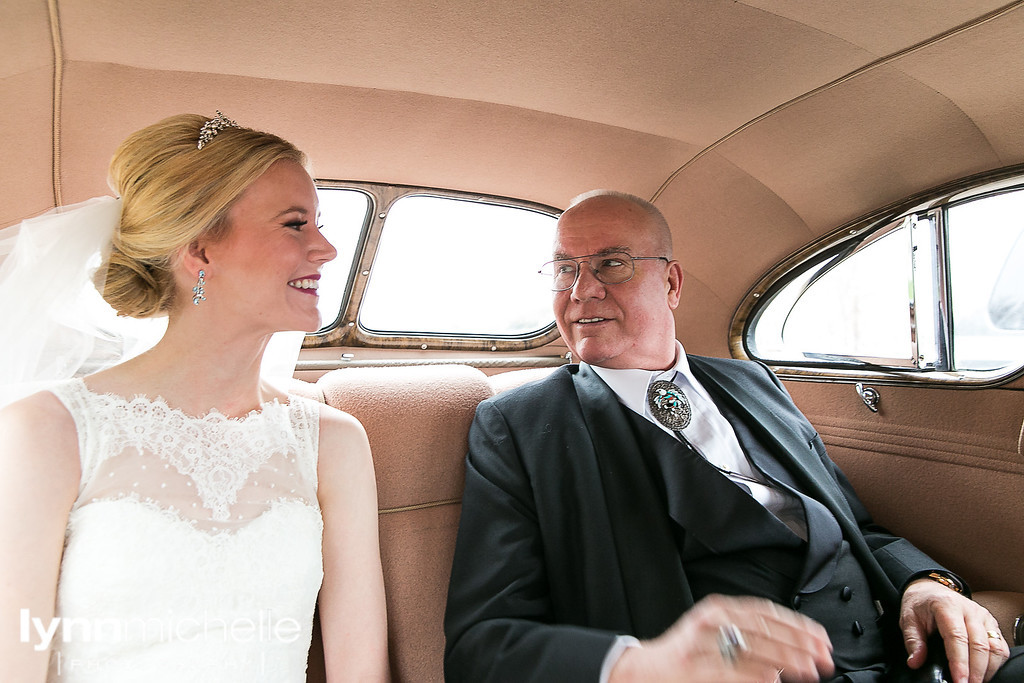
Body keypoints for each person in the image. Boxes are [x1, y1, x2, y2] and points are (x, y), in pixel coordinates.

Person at [443, 190, 1023, 682]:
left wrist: (927, 584)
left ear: (671, 283)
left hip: (902, 659)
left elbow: (852, 524)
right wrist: (644, 664)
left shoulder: (751, 380)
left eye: (611, 264)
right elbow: (481, 644)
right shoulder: (519, 425)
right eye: (565, 269)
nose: (580, 291)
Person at [0, 113, 389, 681]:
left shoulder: (333, 443)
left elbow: (361, 672)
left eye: (319, 224)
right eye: (294, 225)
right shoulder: (47, 430)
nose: (326, 249)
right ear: (201, 251)